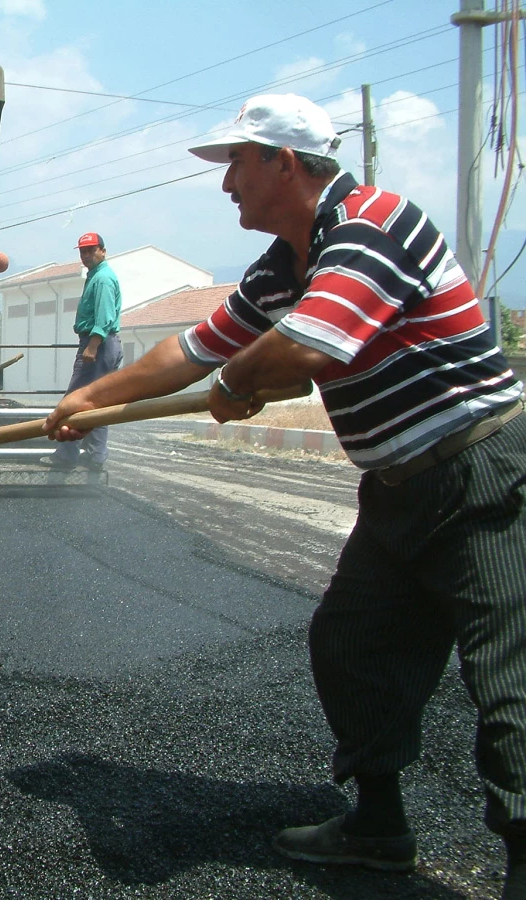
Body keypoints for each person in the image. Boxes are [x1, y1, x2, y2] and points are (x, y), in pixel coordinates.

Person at [43, 94, 526, 896]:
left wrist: (241, 383)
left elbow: (305, 346)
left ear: (284, 162)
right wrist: (94, 399)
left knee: (507, 677)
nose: (226, 182)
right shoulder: (280, 265)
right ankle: (378, 828)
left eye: (235, 161)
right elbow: (195, 349)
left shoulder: (374, 225)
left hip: (480, 475)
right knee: (351, 643)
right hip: (398, 486)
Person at [39, 232, 124, 471]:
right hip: (103, 343)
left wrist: (93, 345)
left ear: (103, 251)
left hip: (99, 344)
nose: (86, 255)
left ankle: (66, 457)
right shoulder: (96, 276)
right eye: (83, 251)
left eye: (91, 250)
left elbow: (105, 315)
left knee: (74, 401)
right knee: (98, 403)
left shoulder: (103, 279)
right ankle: (95, 457)